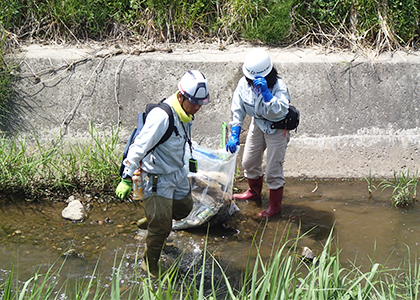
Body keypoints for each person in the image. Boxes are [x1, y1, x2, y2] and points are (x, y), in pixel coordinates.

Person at [115, 70, 210, 276]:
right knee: (161, 228)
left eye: (200, 103)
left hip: (176, 171)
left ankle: (153, 216)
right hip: (157, 177)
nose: (197, 107)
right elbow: (138, 146)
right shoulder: (162, 117)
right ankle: (149, 263)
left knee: (184, 208)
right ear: (181, 96)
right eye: (194, 102)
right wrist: (126, 177)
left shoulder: (186, 112)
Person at [226, 49, 291, 218]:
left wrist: (268, 96)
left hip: (277, 128)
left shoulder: (279, 87)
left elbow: (282, 111)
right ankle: (254, 192)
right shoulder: (243, 84)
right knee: (249, 161)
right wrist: (234, 133)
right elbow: (238, 109)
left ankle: (275, 207)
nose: (252, 82)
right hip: (258, 125)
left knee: (272, 170)